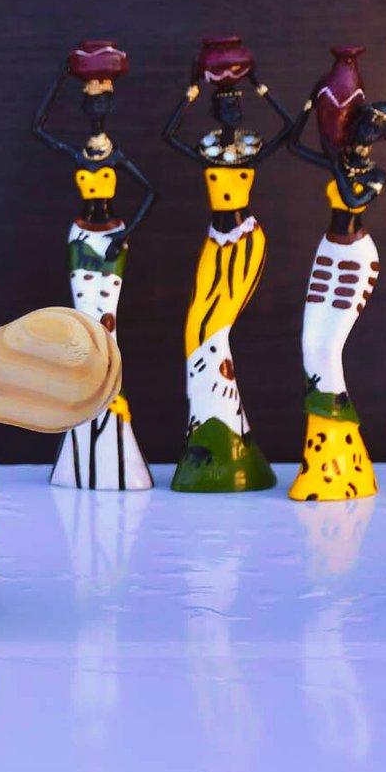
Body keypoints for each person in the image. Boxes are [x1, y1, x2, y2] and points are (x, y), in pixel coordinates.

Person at [161, 36, 292, 492]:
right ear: (215, 110)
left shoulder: (253, 146)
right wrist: (192, 89)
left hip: (245, 240)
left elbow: (289, 128)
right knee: (194, 325)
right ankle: (211, 418)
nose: (231, 110)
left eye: (236, 104)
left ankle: (222, 425)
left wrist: (259, 84)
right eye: (224, 104)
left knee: (215, 328)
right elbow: (168, 135)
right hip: (213, 242)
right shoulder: (208, 146)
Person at [31, 40, 156, 490]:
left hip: (111, 240)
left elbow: (150, 193)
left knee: (108, 325)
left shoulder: (115, 156)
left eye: (103, 101)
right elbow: (38, 128)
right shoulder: (80, 153)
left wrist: (126, 232)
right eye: (90, 101)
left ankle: (109, 404)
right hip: (82, 239)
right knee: (87, 326)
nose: (96, 109)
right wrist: (61, 79)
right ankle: (87, 408)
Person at [286, 46, 386, 501]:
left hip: (356, 257)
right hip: (328, 251)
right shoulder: (342, 160)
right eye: (361, 122)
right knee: (309, 344)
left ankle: (335, 445)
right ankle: (333, 446)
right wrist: (310, 102)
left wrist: (337, 163)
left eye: (372, 127)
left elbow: (353, 201)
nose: (364, 131)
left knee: (328, 347)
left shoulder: (375, 174)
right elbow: (294, 145)